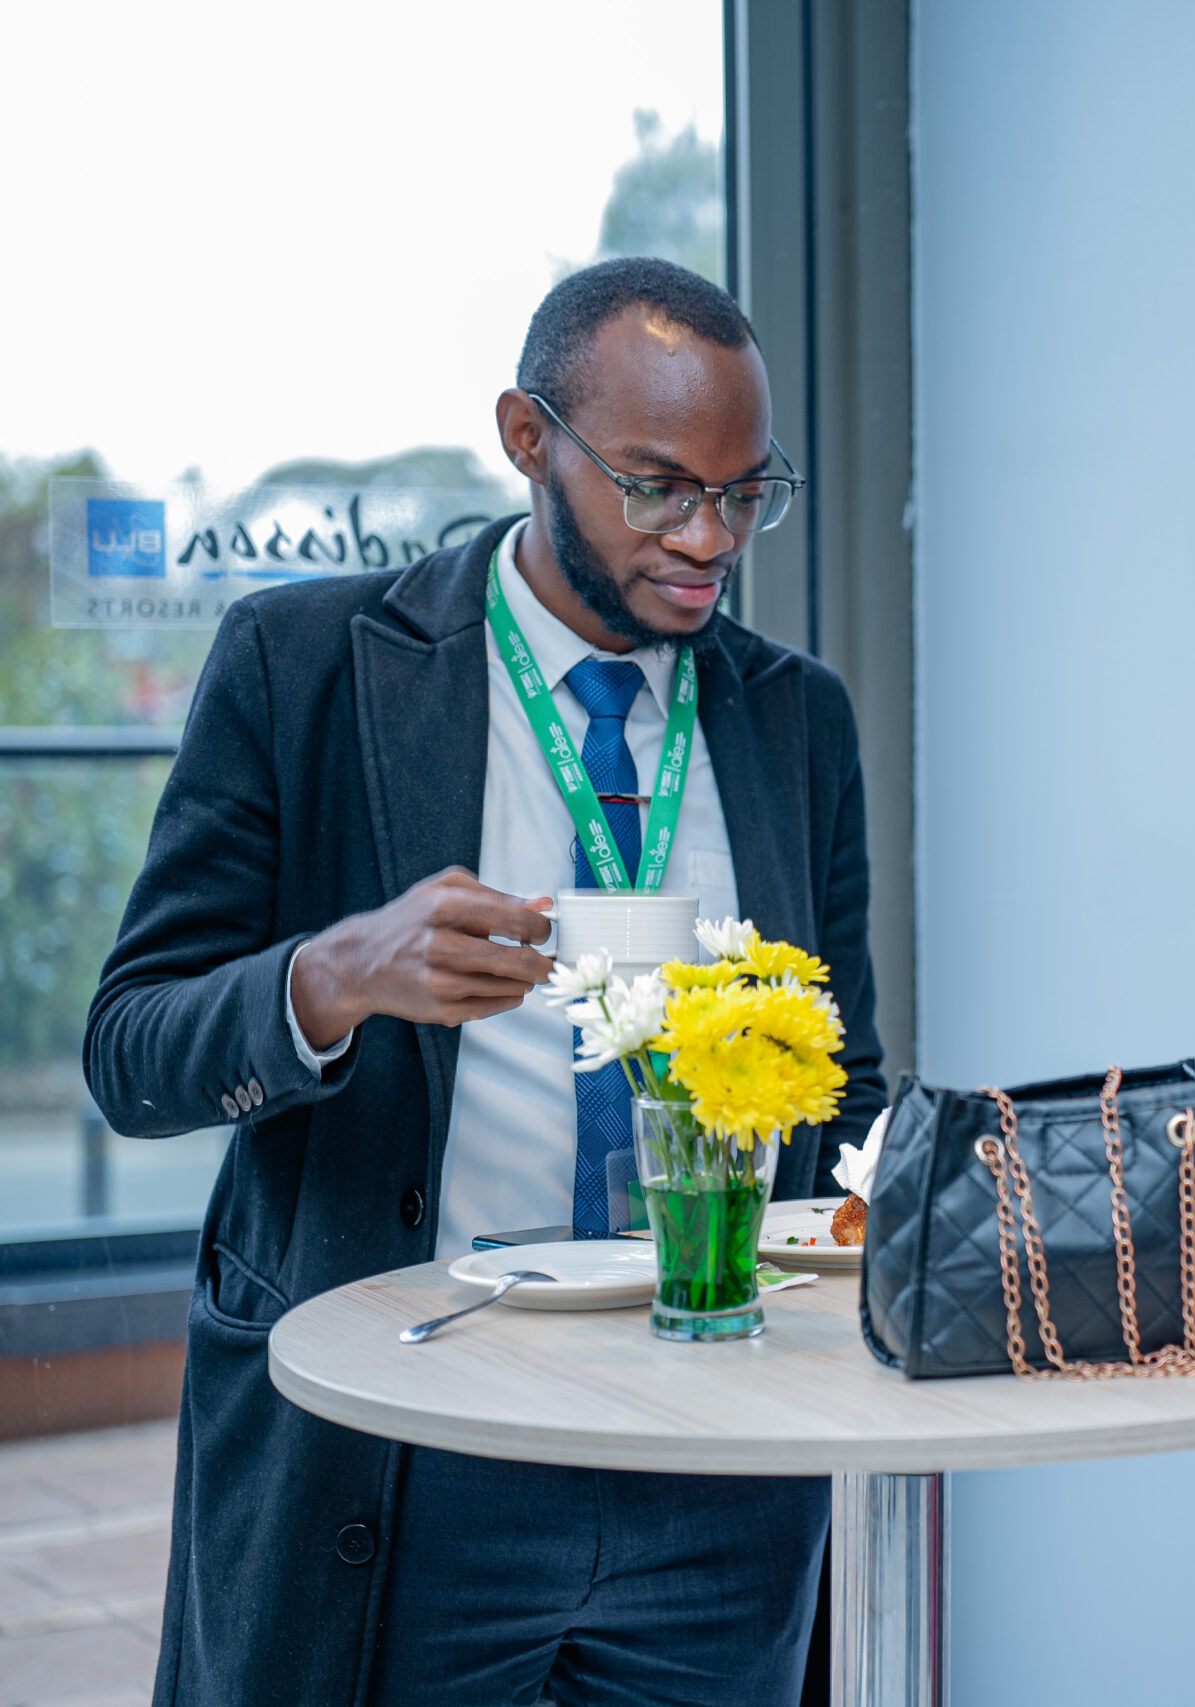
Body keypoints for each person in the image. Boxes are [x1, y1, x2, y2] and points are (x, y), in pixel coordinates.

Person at [85, 257, 889, 1707]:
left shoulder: (797, 719)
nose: (709, 539)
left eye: (745, 493)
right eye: (658, 488)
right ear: (528, 438)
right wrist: (332, 977)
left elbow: (847, 1086)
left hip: (722, 1481)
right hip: (405, 1458)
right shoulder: (306, 665)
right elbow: (130, 1055)